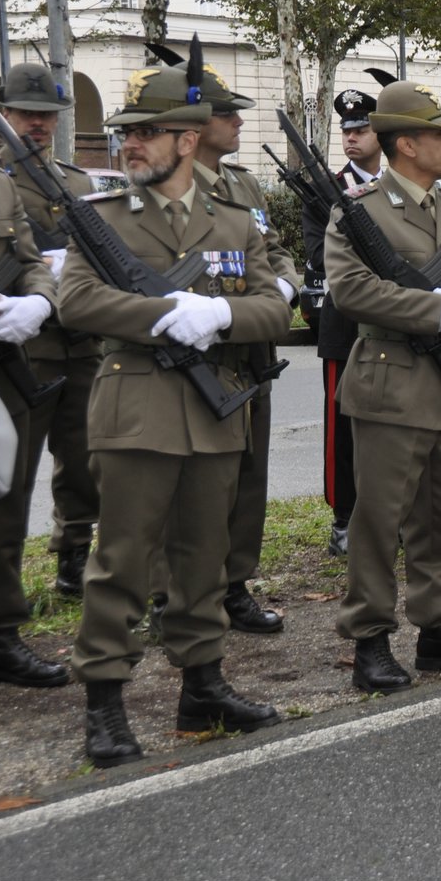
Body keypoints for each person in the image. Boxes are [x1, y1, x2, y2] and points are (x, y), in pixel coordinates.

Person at [58, 65, 290, 766]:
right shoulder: (102, 218)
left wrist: (219, 312)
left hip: (214, 410)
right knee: (123, 560)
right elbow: (76, 302)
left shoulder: (233, 220)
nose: (129, 144)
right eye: (126, 133)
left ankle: (203, 684)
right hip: (137, 407)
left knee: (204, 557)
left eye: (146, 132)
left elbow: (276, 305)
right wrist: (166, 314)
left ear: (187, 140)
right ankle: (104, 700)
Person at [323, 81, 441, 692]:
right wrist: (436, 310)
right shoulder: (358, 209)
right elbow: (351, 291)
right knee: (379, 521)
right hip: (391, 383)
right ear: (406, 143)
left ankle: (438, 628)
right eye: (440, 134)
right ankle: (370, 640)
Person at [176, 43, 299, 635]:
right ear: (195, 126)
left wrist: (288, 289)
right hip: (193, 352)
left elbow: (273, 253)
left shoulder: (244, 186)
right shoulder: (166, 188)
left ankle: (234, 582)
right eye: (228, 114)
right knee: (187, 478)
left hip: (251, 344)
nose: (239, 122)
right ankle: (169, 591)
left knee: (250, 469)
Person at [0, 62, 98, 599]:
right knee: (14, 470)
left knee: (81, 460)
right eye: (26, 114)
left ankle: (73, 554)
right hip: (25, 347)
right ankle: (1, 582)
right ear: (4, 114)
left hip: (82, 343)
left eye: (46, 116)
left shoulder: (78, 182)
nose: (37, 124)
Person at [0, 152, 68, 689]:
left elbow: (30, 258)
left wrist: (38, 298)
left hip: (1, 365)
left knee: (3, 510)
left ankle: (1, 637)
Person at [300, 82, 385, 557]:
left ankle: (383, 512)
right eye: (347, 129)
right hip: (345, 322)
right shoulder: (324, 189)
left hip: (392, 319)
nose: (352, 136)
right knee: (341, 426)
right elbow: (317, 256)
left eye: (363, 128)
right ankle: (343, 515)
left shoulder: (394, 187)